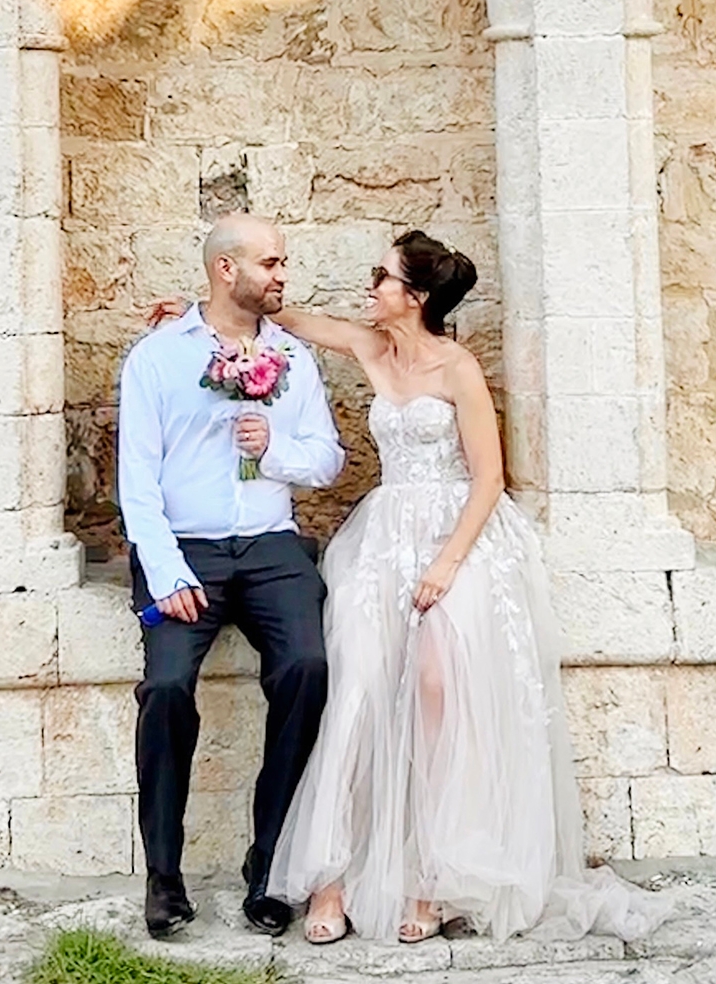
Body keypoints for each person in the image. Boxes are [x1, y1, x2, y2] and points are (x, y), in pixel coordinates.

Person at [152, 229, 672, 945]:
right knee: (357, 682)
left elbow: (490, 478)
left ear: (416, 297)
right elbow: (283, 319)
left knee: (434, 688)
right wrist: (192, 313)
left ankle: (429, 877)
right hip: (384, 534)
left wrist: (447, 565)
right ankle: (331, 878)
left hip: (457, 538)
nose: (372, 287)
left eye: (383, 277)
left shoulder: (458, 368)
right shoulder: (371, 346)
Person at [116, 213, 347, 939]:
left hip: (274, 548)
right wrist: (165, 571)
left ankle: (271, 867)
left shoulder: (292, 358)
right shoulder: (157, 357)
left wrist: (273, 447)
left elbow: (327, 459)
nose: (282, 276)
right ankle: (163, 877)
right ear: (227, 270)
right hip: (187, 549)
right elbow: (137, 481)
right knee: (166, 688)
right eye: (271, 264)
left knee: (308, 666)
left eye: (283, 263)